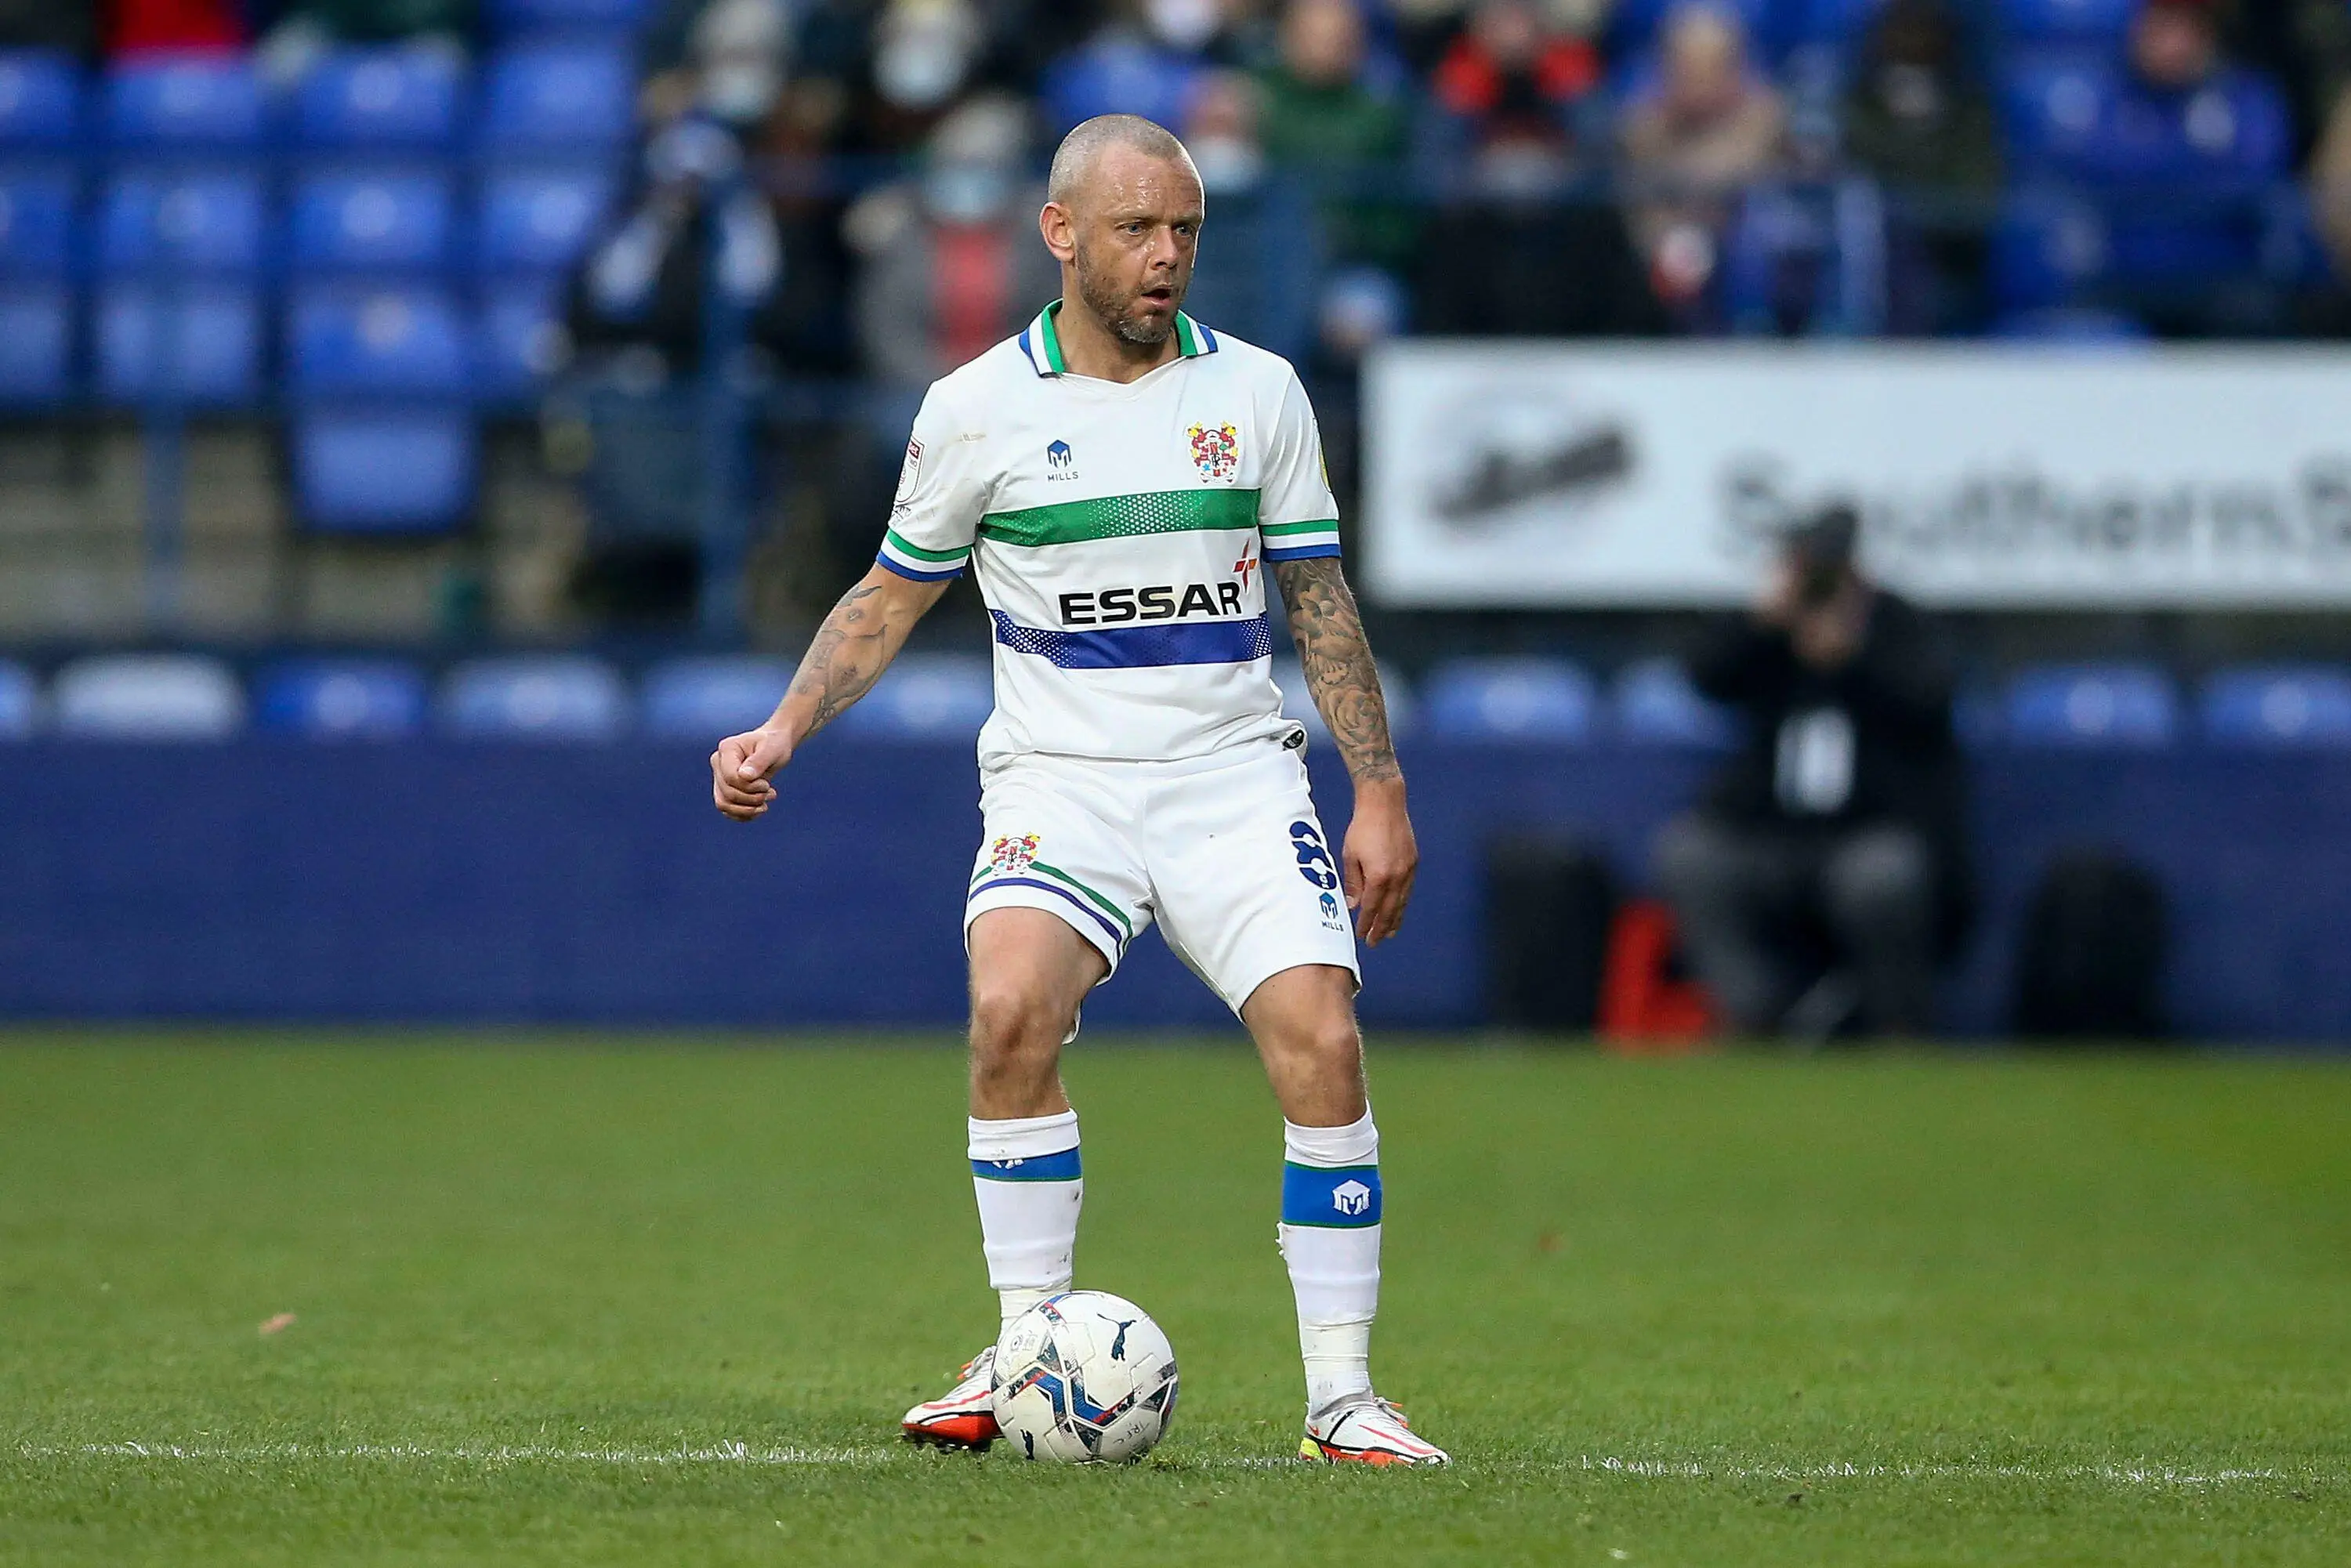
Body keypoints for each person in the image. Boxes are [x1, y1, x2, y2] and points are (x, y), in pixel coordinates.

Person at [709, 114, 1447, 1466]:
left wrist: (1379, 791)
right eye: (1136, 231)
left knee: (1324, 1047)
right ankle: (1026, 1349)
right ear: (1060, 235)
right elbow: (889, 595)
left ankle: (1343, 1396)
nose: (1165, 259)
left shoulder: (1260, 394)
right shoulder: (978, 406)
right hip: (1062, 780)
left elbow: (1320, 600)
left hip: (1233, 776)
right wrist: (783, 728)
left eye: (1185, 233)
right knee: (1008, 1012)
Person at [1654, 507, 1968, 1039]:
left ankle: (1896, 1021)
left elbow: (1932, 700)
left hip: (1866, 830)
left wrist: (1855, 658)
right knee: (1691, 854)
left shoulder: (1896, 625)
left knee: (1884, 874)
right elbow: (1704, 675)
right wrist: (1761, 624)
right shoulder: (1770, 630)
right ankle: (1751, 1012)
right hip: (1770, 832)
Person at [1618, 2, 1786, 316]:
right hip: (1661, 269)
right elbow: (1644, 207)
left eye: (1710, 67)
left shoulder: (1763, 115)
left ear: (1733, 67)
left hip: (1747, 267)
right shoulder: (1646, 123)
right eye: (1686, 67)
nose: (1697, 80)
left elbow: (1731, 173)